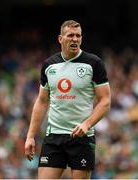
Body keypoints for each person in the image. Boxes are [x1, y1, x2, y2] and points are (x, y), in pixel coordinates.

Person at [25, 19, 111, 179]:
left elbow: (105, 101)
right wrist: (30, 136)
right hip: (54, 137)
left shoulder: (94, 63)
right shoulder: (49, 65)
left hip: (81, 138)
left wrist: (87, 124)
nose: (75, 39)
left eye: (78, 36)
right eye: (70, 35)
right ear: (60, 39)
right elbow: (42, 101)